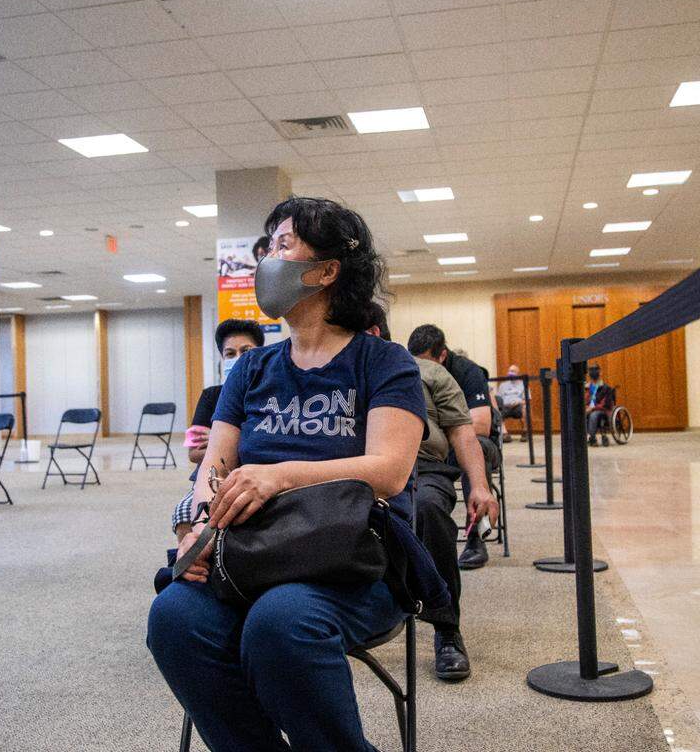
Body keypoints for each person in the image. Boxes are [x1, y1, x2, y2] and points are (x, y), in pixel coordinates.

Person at [148, 197, 427, 752]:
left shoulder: (385, 362)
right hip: (252, 553)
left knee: (281, 621)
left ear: (326, 272)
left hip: (351, 563)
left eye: (282, 246)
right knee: (174, 616)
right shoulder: (252, 368)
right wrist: (196, 526)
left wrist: (281, 475)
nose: (265, 262)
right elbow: (212, 467)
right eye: (267, 246)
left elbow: (390, 473)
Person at [369, 305, 497, 681]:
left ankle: (446, 629)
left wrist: (479, 485)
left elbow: (462, 432)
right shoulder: (339, 379)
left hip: (424, 469)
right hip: (359, 472)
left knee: (426, 507)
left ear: (373, 333)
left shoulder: (429, 373)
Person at [406, 324, 499, 570]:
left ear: (442, 355)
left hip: (476, 442)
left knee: (473, 447)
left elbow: (480, 424)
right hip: (435, 451)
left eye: (427, 361)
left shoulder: (467, 372)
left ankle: (476, 538)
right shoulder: (406, 369)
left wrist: (441, 432)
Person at [174, 319, 265, 538]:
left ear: (260, 353)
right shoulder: (211, 396)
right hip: (215, 476)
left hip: (259, 475)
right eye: (230, 353)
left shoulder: (271, 392)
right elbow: (194, 453)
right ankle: (194, 565)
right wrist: (249, 438)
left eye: (246, 350)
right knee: (185, 511)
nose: (238, 358)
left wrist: (221, 439)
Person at [586, 364, 616, 447]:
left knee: (593, 415)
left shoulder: (606, 388)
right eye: (591, 370)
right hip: (589, 409)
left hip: (602, 410)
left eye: (595, 370)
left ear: (600, 372)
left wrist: (592, 408)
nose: (593, 372)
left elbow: (606, 404)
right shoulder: (586, 388)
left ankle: (592, 438)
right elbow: (584, 401)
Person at [497, 364, 526, 442]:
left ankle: (525, 432)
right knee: (498, 411)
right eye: (509, 371)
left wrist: (518, 402)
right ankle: (505, 434)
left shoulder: (523, 385)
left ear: (517, 373)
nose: (510, 373)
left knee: (524, 408)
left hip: (518, 406)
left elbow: (526, 400)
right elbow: (498, 399)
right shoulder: (503, 385)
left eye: (512, 371)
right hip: (505, 406)